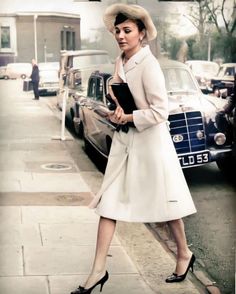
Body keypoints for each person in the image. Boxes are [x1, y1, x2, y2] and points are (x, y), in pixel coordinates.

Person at [71, 4, 197, 294]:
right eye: (117, 30)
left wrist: (127, 117)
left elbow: (161, 112)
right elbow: (123, 99)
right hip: (126, 144)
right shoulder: (122, 61)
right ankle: (97, 271)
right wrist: (114, 110)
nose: (120, 35)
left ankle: (184, 254)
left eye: (127, 30)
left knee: (167, 206)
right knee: (108, 205)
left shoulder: (148, 65)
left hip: (151, 145)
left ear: (142, 34)